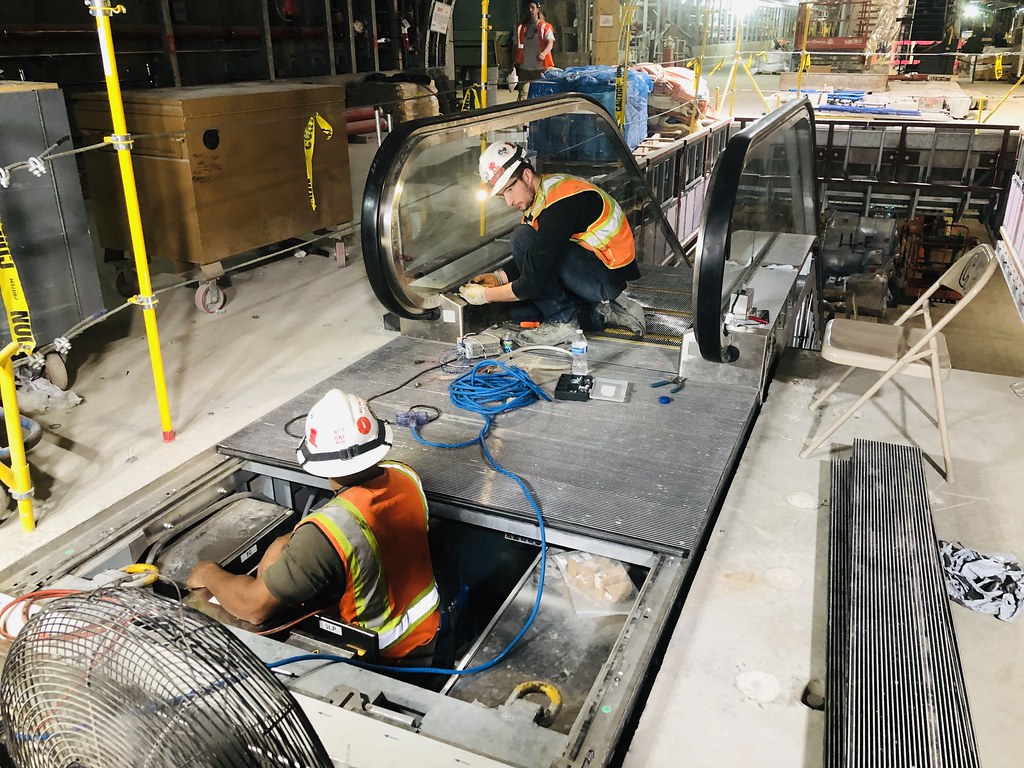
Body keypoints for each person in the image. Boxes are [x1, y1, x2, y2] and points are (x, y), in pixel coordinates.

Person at [187, 389, 440, 662]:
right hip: (431, 629)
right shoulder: (405, 475)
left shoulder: (330, 531)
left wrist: (209, 574)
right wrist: (291, 541)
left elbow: (253, 607)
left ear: (318, 461)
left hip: (384, 657)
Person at [459, 141, 646, 346]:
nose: (509, 202)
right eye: (504, 195)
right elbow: (537, 254)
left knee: (521, 238)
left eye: (510, 189)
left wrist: (485, 296)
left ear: (527, 176)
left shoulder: (560, 204)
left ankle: (563, 322)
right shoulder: (545, 195)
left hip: (605, 278)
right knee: (523, 311)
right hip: (594, 272)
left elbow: (531, 283)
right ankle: (599, 313)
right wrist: (498, 277)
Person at [515, 1, 555, 101]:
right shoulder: (521, 28)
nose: (530, 10)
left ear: (538, 9)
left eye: (532, 7)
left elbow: (550, 43)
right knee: (522, 96)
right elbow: (515, 46)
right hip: (525, 68)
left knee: (541, 95)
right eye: (529, 8)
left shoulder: (544, 27)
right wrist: (511, 65)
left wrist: (544, 53)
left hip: (540, 68)